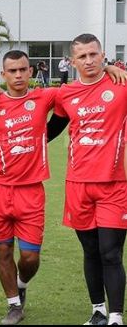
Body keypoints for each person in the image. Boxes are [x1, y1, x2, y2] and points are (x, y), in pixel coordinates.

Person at [0, 50, 60, 325]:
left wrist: (112, 70)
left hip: (31, 191)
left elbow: (80, 90)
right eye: (12, 71)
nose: (18, 75)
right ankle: (14, 305)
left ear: (31, 72)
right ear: (3, 75)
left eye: (22, 70)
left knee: (30, 257)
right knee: (3, 250)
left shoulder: (44, 97)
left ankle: (21, 283)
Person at [50, 34, 127, 326]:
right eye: (82, 56)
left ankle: (116, 316)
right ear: (72, 61)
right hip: (78, 184)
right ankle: (98, 311)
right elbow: (51, 129)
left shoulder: (120, 85)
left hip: (114, 183)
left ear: (102, 54)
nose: (89, 61)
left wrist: (115, 69)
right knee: (91, 250)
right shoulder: (65, 94)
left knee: (111, 252)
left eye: (93, 54)